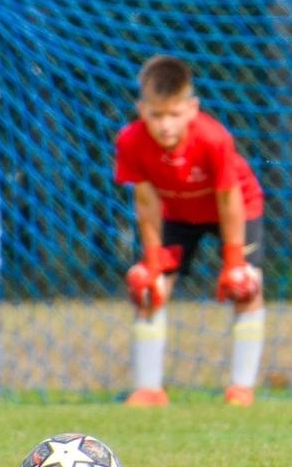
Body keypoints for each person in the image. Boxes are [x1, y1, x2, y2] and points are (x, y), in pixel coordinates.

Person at [113, 55, 266, 407]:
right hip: (178, 213)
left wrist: (232, 262)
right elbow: (147, 204)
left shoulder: (213, 138)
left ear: (192, 107)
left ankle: (241, 388)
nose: (165, 125)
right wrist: (152, 260)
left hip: (236, 207)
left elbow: (230, 200)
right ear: (141, 109)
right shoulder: (131, 142)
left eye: (174, 114)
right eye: (156, 115)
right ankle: (150, 389)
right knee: (149, 290)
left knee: (246, 286)